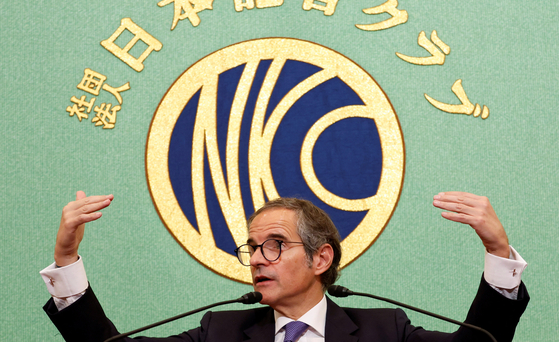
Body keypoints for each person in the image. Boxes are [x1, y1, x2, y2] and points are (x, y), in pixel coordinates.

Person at [41, 191, 529, 341]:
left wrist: (498, 251)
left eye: (275, 245)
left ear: (321, 258)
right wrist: (66, 260)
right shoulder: (219, 332)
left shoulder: (386, 329)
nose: (256, 259)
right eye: (251, 247)